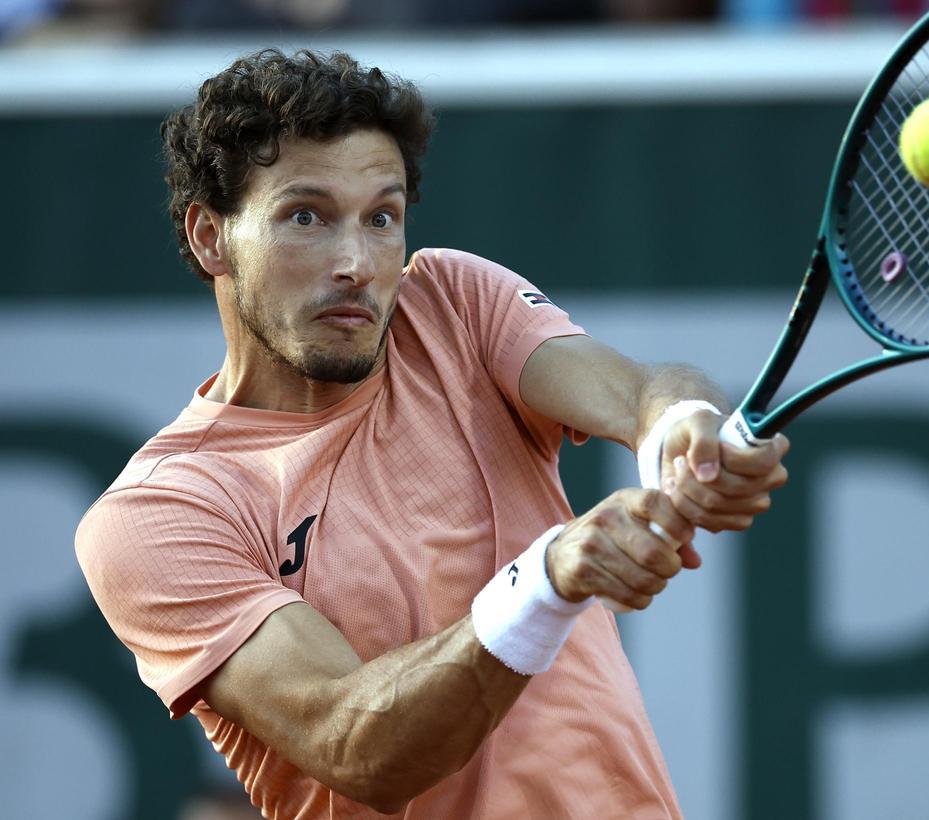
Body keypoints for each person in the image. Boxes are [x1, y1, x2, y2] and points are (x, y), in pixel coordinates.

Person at [75, 48, 788, 819]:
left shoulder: (448, 300)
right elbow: (356, 743)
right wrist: (545, 582)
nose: (355, 261)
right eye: (304, 215)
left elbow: (640, 391)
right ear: (212, 236)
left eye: (381, 217)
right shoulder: (159, 516)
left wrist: (680, 432)